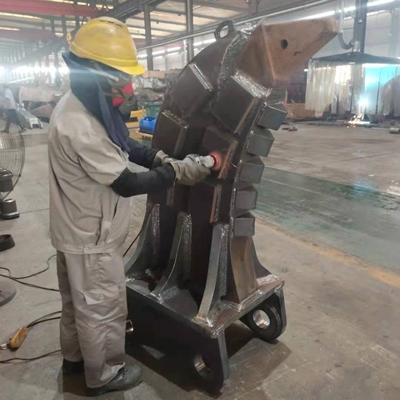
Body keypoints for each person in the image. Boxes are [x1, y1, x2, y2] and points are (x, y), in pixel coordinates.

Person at [48, 17, 210, 397]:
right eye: (122, 78)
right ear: (99, 75)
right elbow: (127, 183)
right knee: (101, 307)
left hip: (73, 230)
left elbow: (121, 142)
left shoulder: (81, 103)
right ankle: (104, 375)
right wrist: (177, 171)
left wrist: (155, 156)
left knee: (76, 303)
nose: (129, 87)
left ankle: (75, 359)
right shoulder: (81, 126)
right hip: (91, 237)